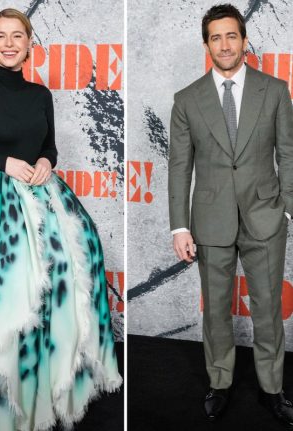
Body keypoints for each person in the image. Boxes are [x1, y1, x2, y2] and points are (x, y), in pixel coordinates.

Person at [0, 7, 122, 431]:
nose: (9, 43)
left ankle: (38, 389)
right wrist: (1, 162)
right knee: (3, 301)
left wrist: (45, 161)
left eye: (17, 36)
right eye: (0, 36)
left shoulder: (41, 95)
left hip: (43, 198)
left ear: (29, 43)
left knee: (55, 288)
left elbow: (49, 147)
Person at [168, 3, 293, 427]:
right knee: (216, 309)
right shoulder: (187, 99)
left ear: (244, 40)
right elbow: (179, 167)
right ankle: (219, 383)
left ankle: (272, 389)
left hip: (266, 218)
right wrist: (180, 226)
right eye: (216, 38)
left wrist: (287, 210)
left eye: (231, 36)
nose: (224, 45)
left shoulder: (274, 91)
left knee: (268, 309)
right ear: (206, 45)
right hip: (210, 221)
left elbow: (288, 154)